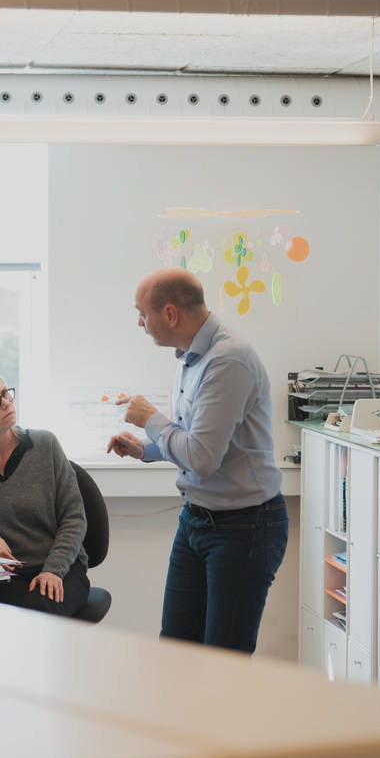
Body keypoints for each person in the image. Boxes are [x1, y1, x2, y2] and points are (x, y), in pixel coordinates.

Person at [107, 267, 287, 653]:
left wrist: (150, 420)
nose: (140, 322)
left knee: (223, 660)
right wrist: (145, 448)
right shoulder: (190, 358)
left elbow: (202, 459)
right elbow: (194, 441)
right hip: (197, 520)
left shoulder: (228, 361)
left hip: (245, 527)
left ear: (170, 314)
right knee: (177, 651)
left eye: (143, 313)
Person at [0, 371, 90, 617]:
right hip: (4, 574)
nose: (6, 403)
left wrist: (52, 570)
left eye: (5, 394)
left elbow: (74, 518)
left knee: (32, 617)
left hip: (61, 569)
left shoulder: (45, 445)